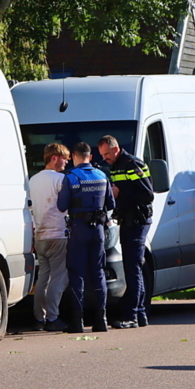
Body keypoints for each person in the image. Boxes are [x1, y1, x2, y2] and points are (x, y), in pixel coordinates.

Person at [57, 141, 115, 333]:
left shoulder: (71, 177)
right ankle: (101, 320)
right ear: (90, 156)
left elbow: (61, 205)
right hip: (98, 230)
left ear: (74, 156)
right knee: (98, 272)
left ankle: (77, 322)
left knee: (77, 273)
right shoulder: (102, 176)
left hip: (79, 229)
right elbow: (111, 203)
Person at [98, 134, 154, 329]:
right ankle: (139, 315)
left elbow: (147, 194)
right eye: (102, 155)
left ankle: (133, 314)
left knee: (133, 268)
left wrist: (121, 193)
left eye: (106, 154)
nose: (105, 158)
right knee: (132, 268)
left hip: (137, 221)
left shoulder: (132, 163)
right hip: (128, 221)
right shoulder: (116, 165)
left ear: (115, 148)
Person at [28, 143, 71, 332]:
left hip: (40, 235)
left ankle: (39, 318)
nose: (67, 162)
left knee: (43, 278)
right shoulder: (61, 179)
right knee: (59, 278)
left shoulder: (32, 181)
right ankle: (53, 318)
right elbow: (68, 204)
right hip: (58, 234)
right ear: (54, 158)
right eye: (64, 158)